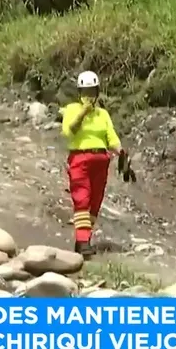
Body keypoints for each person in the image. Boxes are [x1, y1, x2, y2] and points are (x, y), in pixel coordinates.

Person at [61, 70, 124, 256]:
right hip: (79, 158)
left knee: (95, 201)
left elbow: (110, 136)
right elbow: (68, 131)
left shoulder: (102, 114)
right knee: (82, 199)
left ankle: (84, 238)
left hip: (101, 160)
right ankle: (82, 242)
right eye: (85, 92)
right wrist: (82, 113)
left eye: (92, 91)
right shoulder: (72, 109)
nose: (89, 96)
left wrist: (121, 152)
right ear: (79, 93)